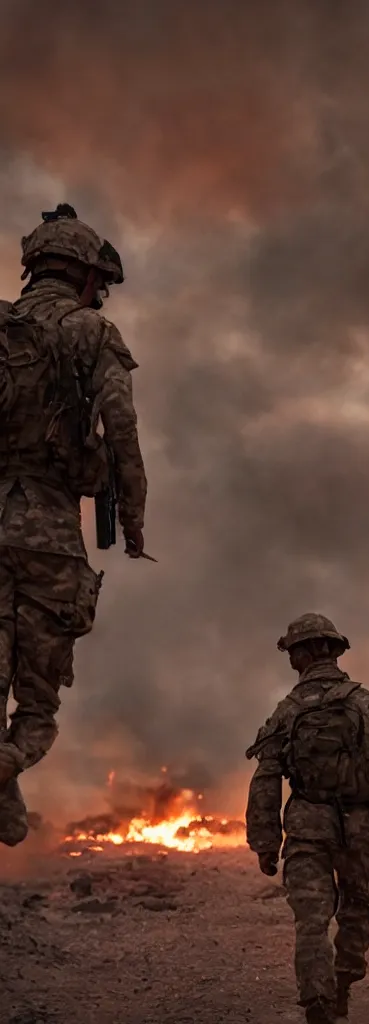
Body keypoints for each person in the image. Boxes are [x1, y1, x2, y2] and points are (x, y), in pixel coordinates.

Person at [0, 204, 147, 847]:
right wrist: (134, 521)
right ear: (87, 276)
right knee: (37, 711)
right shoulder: (91, 331)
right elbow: (122, 432)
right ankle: (6, 770)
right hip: (50, 543)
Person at [246, 613, 369, 1024]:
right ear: (334, 650)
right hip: (361, 828)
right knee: (357, 905)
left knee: (311, 919)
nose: (293, 659)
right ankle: (342, 985)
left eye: (294, 652)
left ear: (305, 655)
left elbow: (266, 779)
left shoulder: (287, 711)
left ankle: (317, 1003)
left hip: (308, 827)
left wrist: (265, 841)